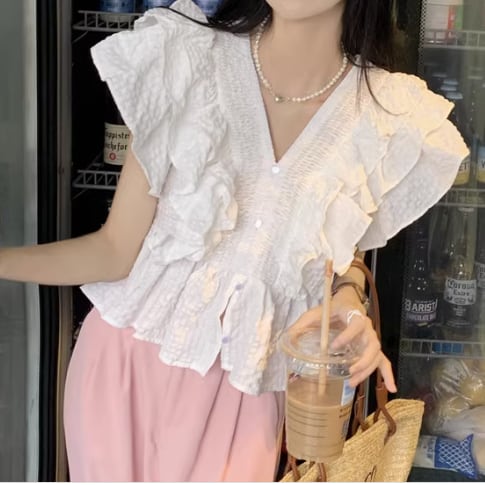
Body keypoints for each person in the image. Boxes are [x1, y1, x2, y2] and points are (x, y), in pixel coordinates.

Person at [0, 0, 467, 481]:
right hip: (122, 370)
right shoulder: (189, 59)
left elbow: (338, 260)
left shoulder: (385, 114)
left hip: (245, 394)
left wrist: (350, 305)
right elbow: (114, 251)